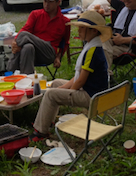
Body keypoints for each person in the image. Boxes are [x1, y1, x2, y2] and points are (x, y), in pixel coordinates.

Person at [30, 10, 112, 141]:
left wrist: (66, 92)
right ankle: (48, 121)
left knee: (51, 94)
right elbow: (78, 76)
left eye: (82, 28)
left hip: (92, 96)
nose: (78, 31)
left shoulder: (93, 51)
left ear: (94, 31)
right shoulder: (91, 46)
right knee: (56, 83)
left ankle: (40, 132)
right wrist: (62, 89)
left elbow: (80, 82)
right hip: (90, 90)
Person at [7, 0, 70, 75]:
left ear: (58, 2)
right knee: (27, 47)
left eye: (50, 2)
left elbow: (65, 42)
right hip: (34, 51)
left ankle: (9, 70)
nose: (46, 4)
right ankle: (27, 81)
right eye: (45, 1)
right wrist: (15, 42)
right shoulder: (35, 14)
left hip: (49, 53)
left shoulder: (65, 22)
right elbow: (26, 28)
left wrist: (58, 57)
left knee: (25, 35)